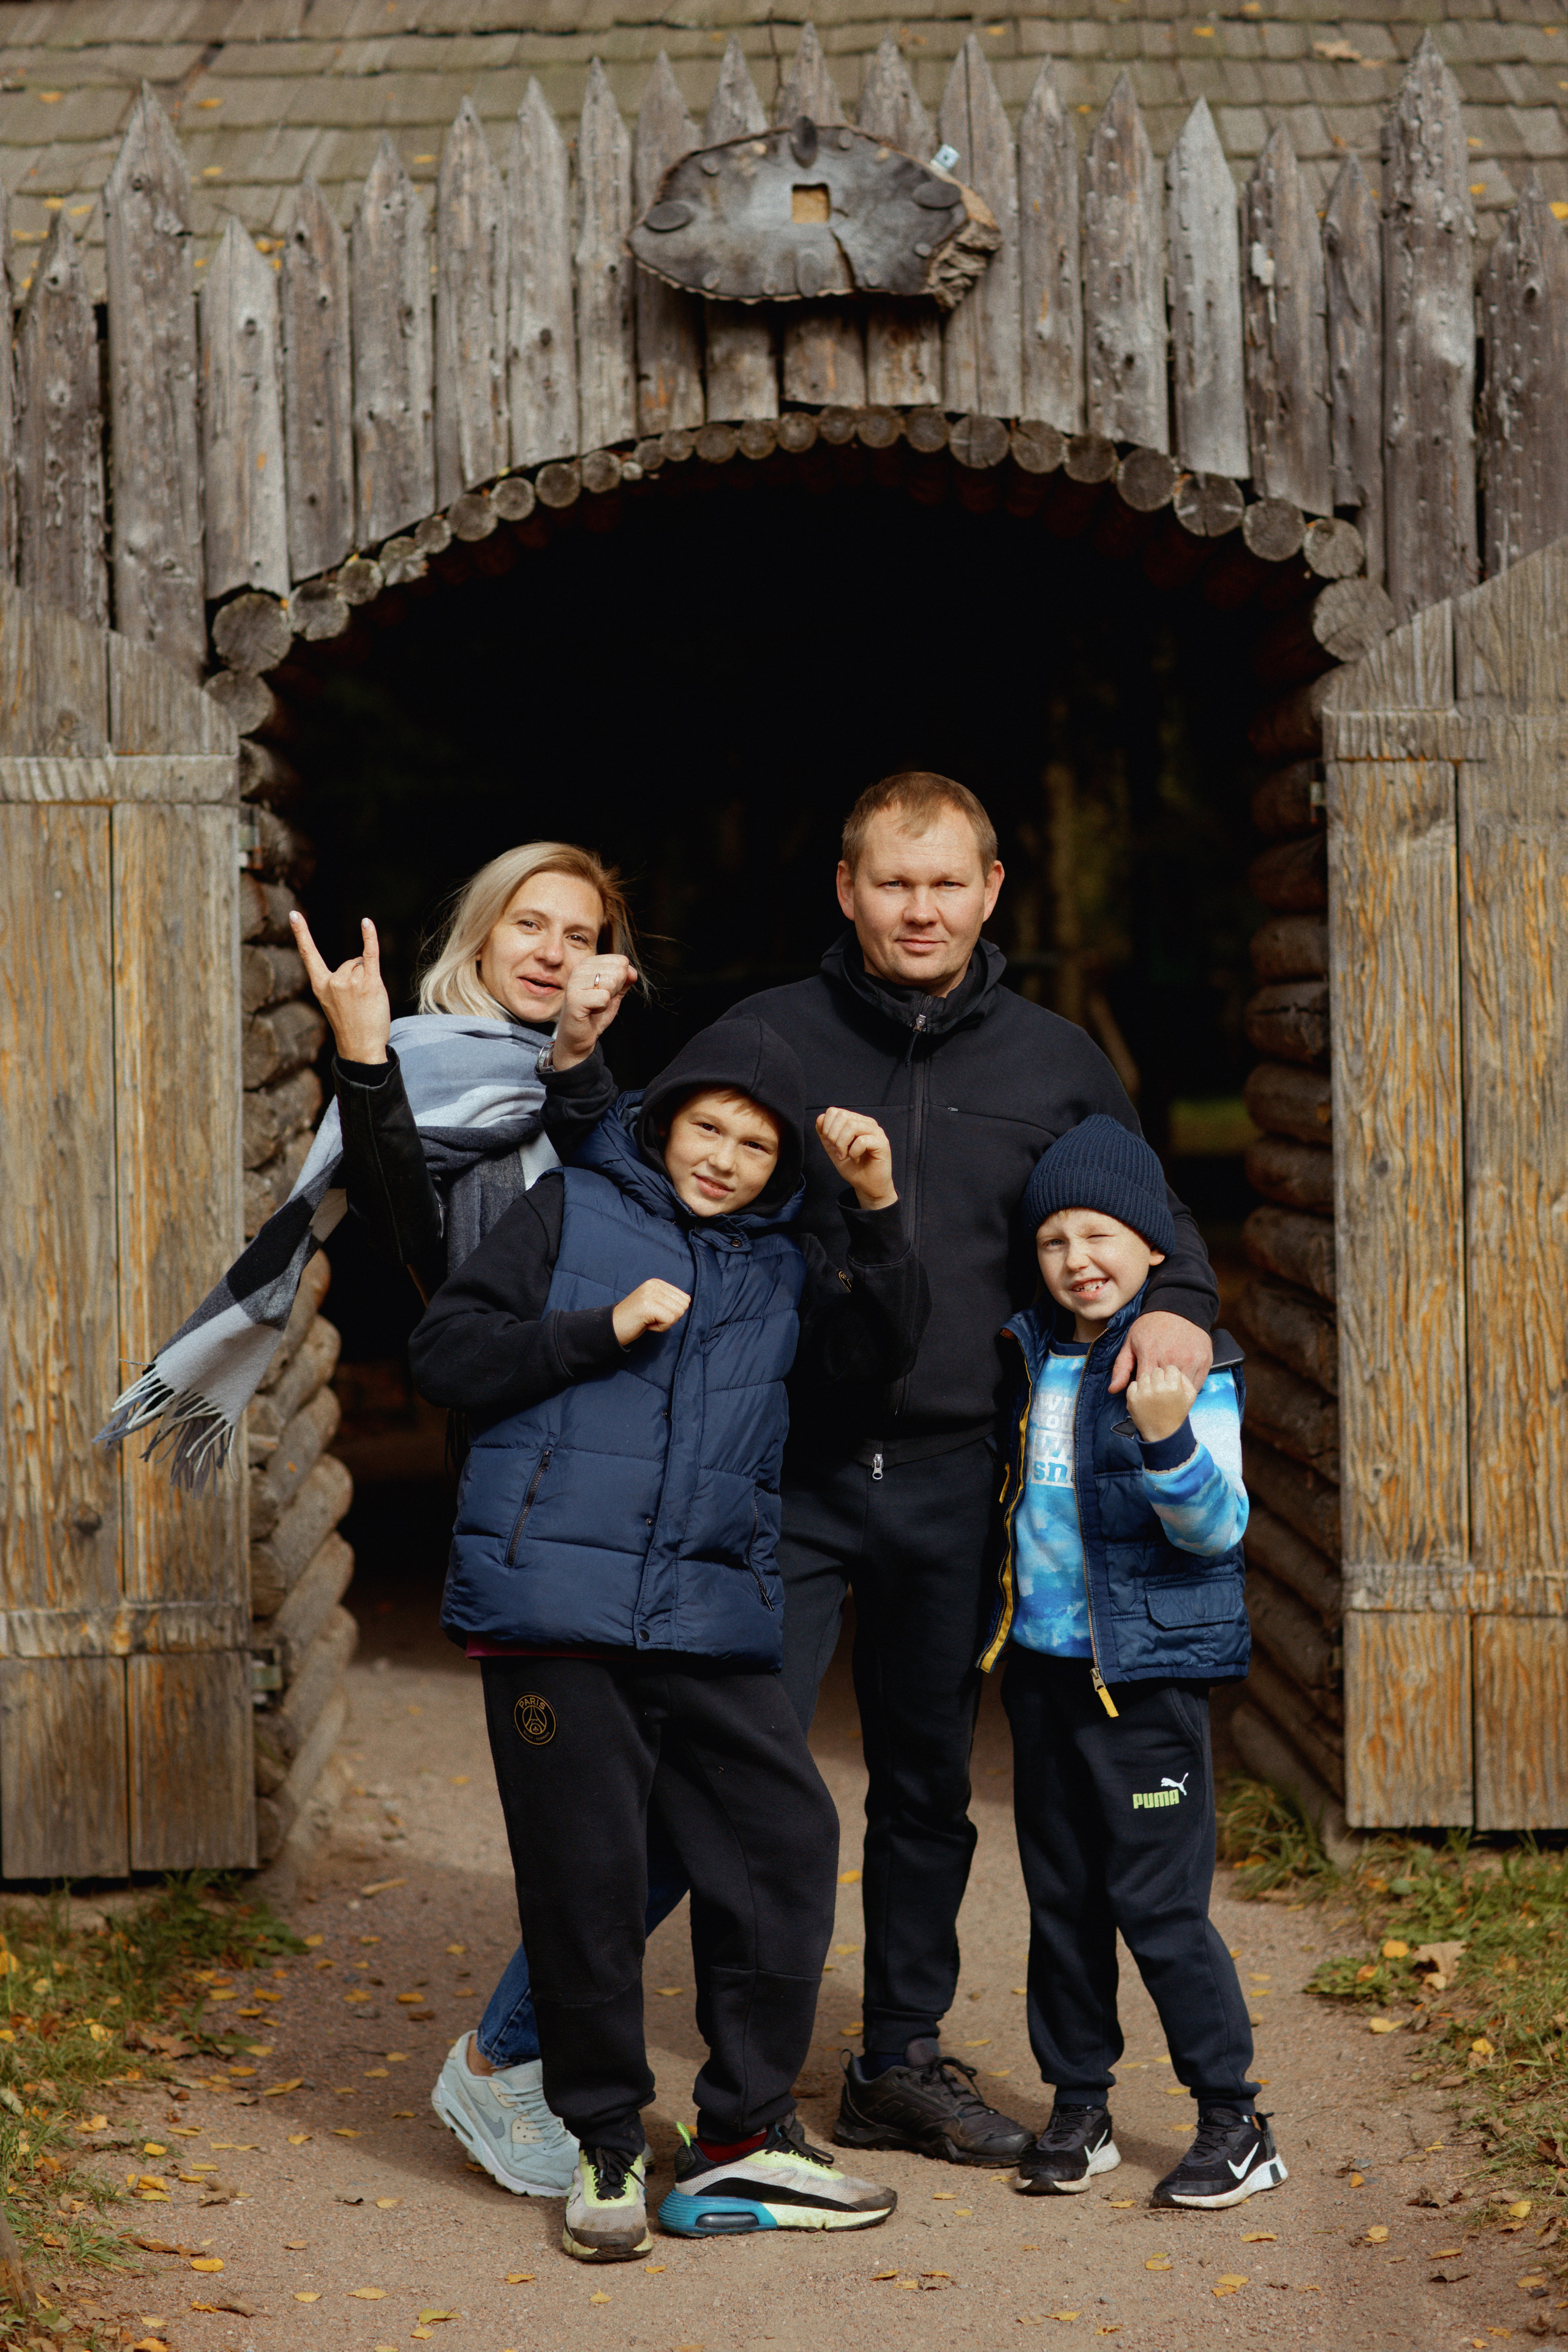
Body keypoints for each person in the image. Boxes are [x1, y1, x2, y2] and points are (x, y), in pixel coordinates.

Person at [541, 771, 1221, 2168]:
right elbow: (641, 1180)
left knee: (925, 1783)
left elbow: (1148, 1222)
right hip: (774, 1470)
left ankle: (896, 2060)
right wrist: (575, 1074)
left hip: (958, 1474)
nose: (922, 909)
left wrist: (1181, 1308)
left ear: (990, 891)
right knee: (737, 1774)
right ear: (847, 891)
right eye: (894, 883)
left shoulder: (1055, 1063)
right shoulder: (767, 1038)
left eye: (947, 883)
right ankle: (741, 2086)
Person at [408, 1017, 927, 2260]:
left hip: (705, 1610)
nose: (724, 1159)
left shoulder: (785, 1264)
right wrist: (597, 1329)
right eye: (708, 1128)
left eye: (755, 1146)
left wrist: (876, 1210)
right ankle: (603, 2142)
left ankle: (740, 2139)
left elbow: (876, 1360)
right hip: (554, 1607)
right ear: (664, 1121)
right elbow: (444, 1353)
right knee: (587, 1873)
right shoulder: (571, 1208)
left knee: (783, 1839)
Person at [287, 842, 655, 2199]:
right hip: (531, 1491)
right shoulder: (431, 1068)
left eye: (582, 932)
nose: (552, 950)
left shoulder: (593, 1085)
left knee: (682, 1806)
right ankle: (508, 2064)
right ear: (482, 934)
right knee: (597, 1824)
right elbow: (417, 1242)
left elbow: (654, 1201)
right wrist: (365, 1056)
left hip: (645, 1480)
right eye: (529, 923)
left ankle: (515, 2056)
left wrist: (581, 1064)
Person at [988, 1115, 1286, 2210]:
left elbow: (1217, 1528)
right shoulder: (1026, 1354)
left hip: (1146, 1681)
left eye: (1101, 1233)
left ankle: (1235, 2121)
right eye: (1054, 1239)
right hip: (1044, 1675)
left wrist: (1167, 1437)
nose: (1079, 1257)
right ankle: (1081, 2107)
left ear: (1154, 1244)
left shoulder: (1182, 1366)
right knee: (1062, 1902)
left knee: (1158, 1908)